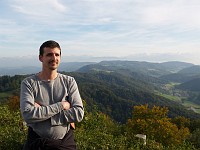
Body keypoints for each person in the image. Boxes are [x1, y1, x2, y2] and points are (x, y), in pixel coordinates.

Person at [20, 40, 84, 150]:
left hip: (65, 143)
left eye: (57, 55)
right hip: (37, 144)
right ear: (41, 58)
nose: (54, 58)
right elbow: (28, 115)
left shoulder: (69, 81)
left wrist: (42, 114)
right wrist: (61, 106)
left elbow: (78, 113)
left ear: (60, 57)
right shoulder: (29, 83)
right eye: (49, 54)